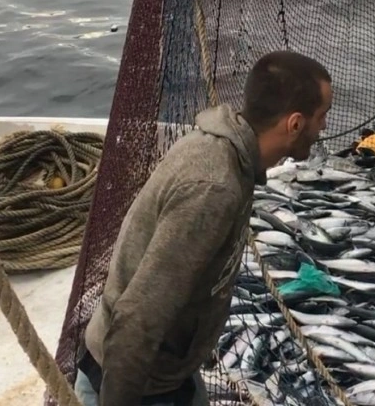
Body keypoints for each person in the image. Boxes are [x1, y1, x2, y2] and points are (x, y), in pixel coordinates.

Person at [73, 50, 333, 406]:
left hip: (170, 372)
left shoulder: (222, 151)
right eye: (323, 117)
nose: (324, 129)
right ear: (295, 124)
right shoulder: (214, 188)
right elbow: (138, 318)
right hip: (134, 385)